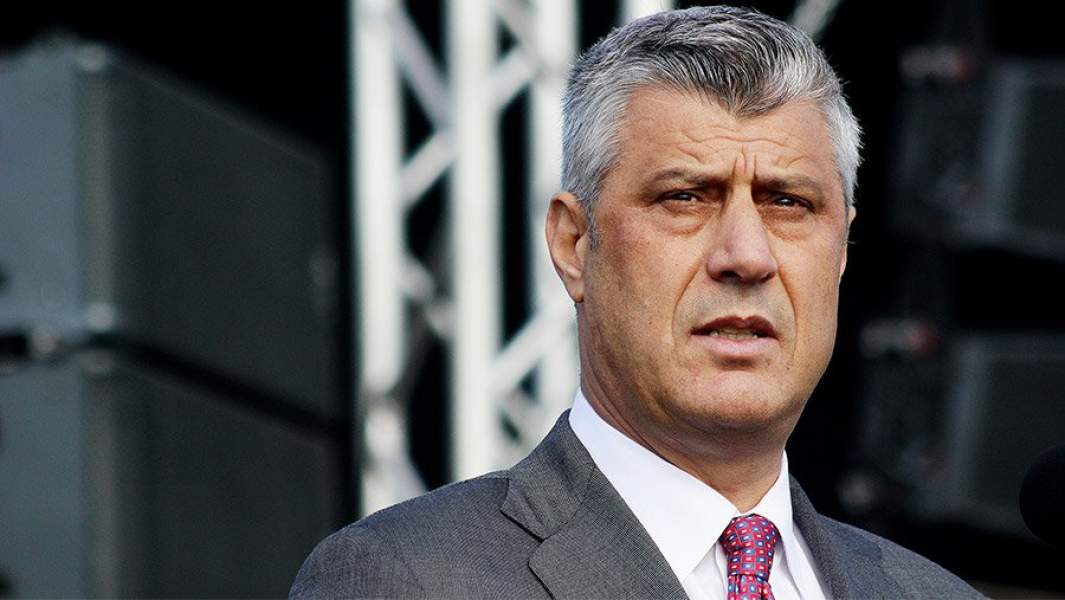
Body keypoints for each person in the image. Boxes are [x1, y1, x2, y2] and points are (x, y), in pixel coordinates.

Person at [291, 6, 983, 599]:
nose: (747, 256)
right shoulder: (408, 578)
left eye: (788, 202)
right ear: (573, 244)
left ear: (841, 252)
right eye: (685, 197)